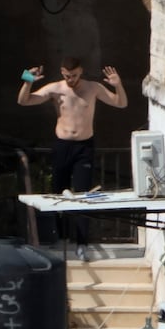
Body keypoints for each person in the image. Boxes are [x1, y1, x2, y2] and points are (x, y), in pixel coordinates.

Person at [18, 56, 127, 259]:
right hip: (62, 145)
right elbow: (24, 101)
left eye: (75, 76)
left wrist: (118, 85)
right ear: (62, 73)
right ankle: (60, 237)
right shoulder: (55, 89)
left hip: (84, 146)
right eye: (68, 76)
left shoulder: (93, 88)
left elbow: (121, 103)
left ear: (81, 71)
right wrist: (27, 80)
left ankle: (81, 242)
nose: (71, 80)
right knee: (58, 193)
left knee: (83, 195)